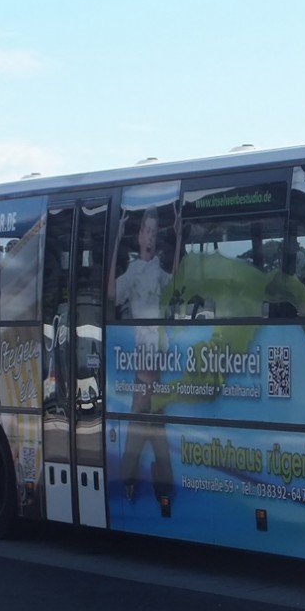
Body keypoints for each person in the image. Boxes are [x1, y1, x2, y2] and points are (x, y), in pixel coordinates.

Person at [107, 203, 183, 512]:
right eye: (147, 231)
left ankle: (147, 486)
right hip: (142, 374)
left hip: (158, 373)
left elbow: (177, 284)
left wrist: (178, 239)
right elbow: (112, 294)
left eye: (155, 231)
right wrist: (115, 241)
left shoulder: (160, 272)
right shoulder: (134, 272)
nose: (150, 237)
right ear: (139, 236)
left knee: (153, 435)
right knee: (141, 433)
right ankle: (137, 485)